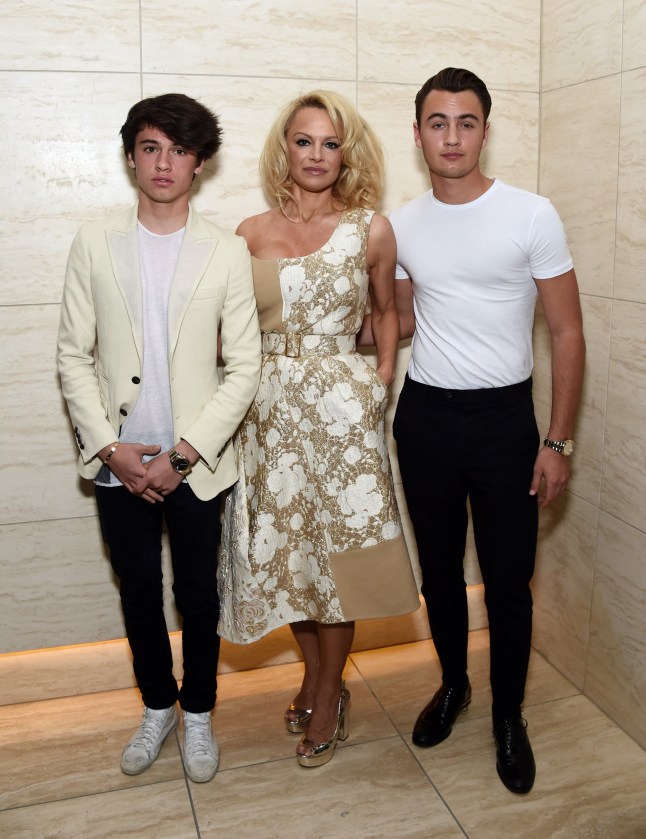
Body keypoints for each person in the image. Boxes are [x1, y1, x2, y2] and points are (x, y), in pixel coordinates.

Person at [390, 68, 585, 794]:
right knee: (438, 572)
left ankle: (510, 715)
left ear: (485, 129)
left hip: (506, 422)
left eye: (465, 122)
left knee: (508, 582)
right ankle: (453, 686)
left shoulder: (531, 213)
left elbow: (566, 331)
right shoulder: (402, 224)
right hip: (426, 419)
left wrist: (558, 440)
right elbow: (402, 321)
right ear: (418, 134)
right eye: (437, 122)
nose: (451, 136)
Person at [57, 93, 261, 783]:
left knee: (197, 593)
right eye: (151, 147)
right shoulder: (94, 241)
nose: (164, 162)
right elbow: (71, 355)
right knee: (138, 589)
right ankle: (159, 704)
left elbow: (246, 365)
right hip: (119, 462)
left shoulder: (227, 250)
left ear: (199, 162)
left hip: (195, 465)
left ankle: (199, 711)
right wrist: (110, 447)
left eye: (179, 149)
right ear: (131, 157)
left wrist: (182, 454)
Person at [217, 90, 419, 768]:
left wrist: (377, 382)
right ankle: (313, 672)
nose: (317, 156)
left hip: (342, 416)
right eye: (305, 141)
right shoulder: (247, 232)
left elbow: (388, 311)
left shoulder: (371, 229)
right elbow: (231, 329)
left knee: (343, 563)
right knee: (295, 559)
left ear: (347, 154)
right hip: (267, 414)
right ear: (286, 148)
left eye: (331, 144)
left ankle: (329, 689)